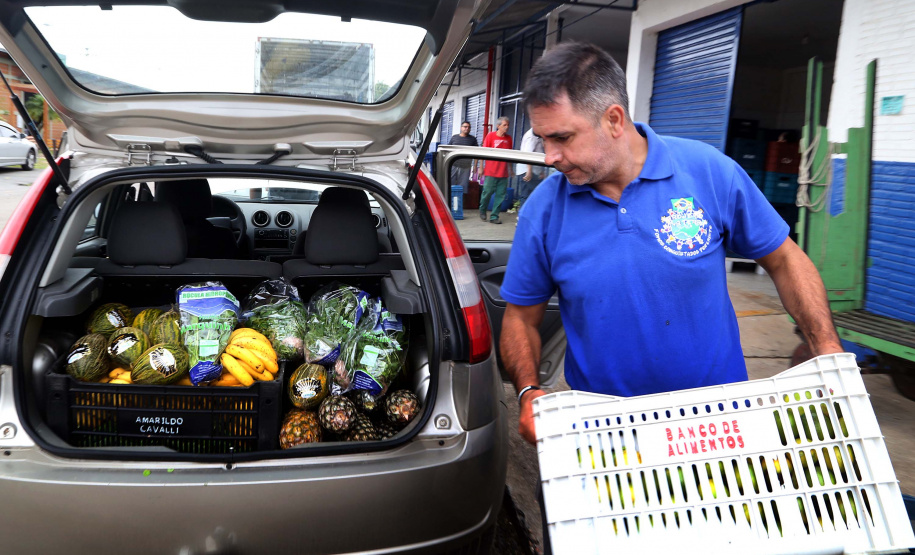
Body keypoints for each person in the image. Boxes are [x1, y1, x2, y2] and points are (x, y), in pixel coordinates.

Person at [500, 42, 843, 446]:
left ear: (613, 119)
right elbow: (520, 318)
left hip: (718, 423)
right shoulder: (543, 210)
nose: (549, 157)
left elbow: (785, 259)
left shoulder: (708, 171)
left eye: (562, 138)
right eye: (542, 139)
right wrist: (528, 391)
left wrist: (826, 348)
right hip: (604, 431)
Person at [477, 117, 513, 224]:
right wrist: (481, 167)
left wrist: (511, 169)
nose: (507, 127)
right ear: (498, 126)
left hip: (503, 173)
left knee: (500, 195)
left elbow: (510, 155)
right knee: (487, 192)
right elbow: (483, 152)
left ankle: (494, 216)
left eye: (508, 125)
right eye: (504, 125)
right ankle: (482, 210)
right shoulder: (490, 136)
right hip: (490, 171)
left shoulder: (509, 138)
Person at [513, 127, 545, 212]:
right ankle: (523, 216)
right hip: (528, 171)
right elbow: (528, 155)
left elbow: (539, 152)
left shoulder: (537, 136)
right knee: (527, 195)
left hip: (534, 171)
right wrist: (529, 171)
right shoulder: (532, 137)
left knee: (534, 195)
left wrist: (541, 171)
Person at [448, 121, 478, 189]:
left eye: (469, 127)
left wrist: (475, 166)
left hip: (466, 166)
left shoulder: (473, 139)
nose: (467, 128)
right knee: (450, 185)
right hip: (453, 165)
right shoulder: (454, 137)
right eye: (465, 127)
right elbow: (448, 150)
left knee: (463, 187)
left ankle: (461, 196)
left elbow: (476, 153)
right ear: (461, 128)